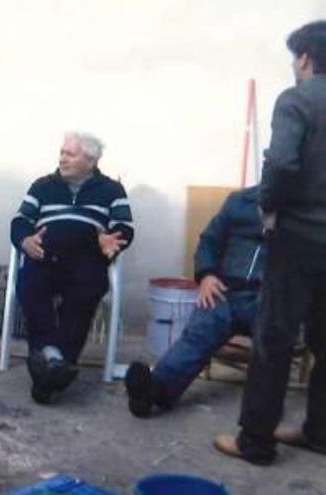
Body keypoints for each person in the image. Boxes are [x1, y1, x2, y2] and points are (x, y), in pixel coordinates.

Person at [216, 20, 326, 466]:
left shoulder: (298, 99)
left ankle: (256, 441)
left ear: (304, 58)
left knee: (274, 339)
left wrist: (268, 205)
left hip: (298, 237)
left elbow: (281, 162)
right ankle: (319, 432)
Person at [10, 131, 133, 404]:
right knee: (30, 285)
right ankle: (57, 362)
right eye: (62, 153)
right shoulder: (42, 185)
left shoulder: (112, 190)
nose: (62, 158)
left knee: (85, 293)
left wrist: (110, 241)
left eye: (70, 154)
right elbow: (20, 220)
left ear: (90, 160)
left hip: (88, 258)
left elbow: (124, 228)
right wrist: (25, 240)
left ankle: (47, 365)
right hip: (44, 255)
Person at [126, 186, 263, 418]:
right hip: (225, 290)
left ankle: (262, 417)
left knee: (273, 342)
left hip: (271, 296)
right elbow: (210, 240)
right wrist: (207, 274)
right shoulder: (240, 201)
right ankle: (155, 390)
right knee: (199, 334)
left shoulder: (307, 212)